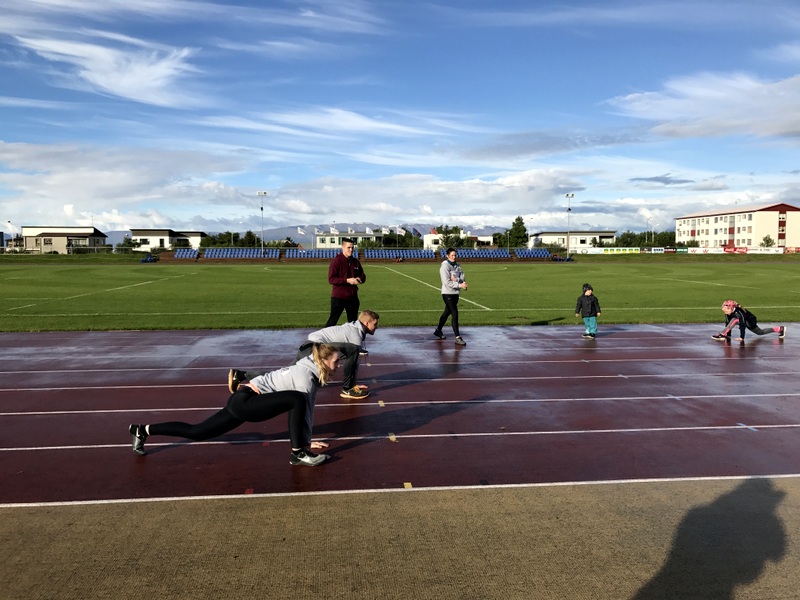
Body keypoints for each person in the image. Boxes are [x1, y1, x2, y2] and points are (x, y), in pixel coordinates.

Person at [128, 343, 339, 467]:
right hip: (248, 401)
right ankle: (297, 454)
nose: (338, 366)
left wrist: (307, 439)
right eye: (335, 362)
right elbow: (306, 409)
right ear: (323, 361)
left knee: (197, 432)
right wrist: (306, 443)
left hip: (243, 400)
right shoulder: (305, 377)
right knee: (297, 399)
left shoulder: (307, 366)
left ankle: (143, 430)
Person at [228, 310, 380, 400]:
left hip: (309, 345)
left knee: (282, 375)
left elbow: (351, 361)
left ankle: (241, 375)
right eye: (375, 324)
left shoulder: (353, 328)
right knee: (353, 350)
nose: (377, 327)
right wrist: (351, 385)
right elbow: (353, 360)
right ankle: (347, 389)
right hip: (313, 347)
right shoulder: (355, 334)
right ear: (367, 323)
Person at [325, 237, 366, 327]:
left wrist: (359, 279)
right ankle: (320, 339)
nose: (351, 250)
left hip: (353, 297)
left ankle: (352, 340)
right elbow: (331, 279)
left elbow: (363, 276)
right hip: (339, 297)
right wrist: (347, 280)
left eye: (352, 248)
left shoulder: (355, 262)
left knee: (353, 323)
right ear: (342, 247)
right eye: (348, 247)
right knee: (332, 321)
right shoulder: (336, 261)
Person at [433, 247, 467, 346]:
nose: (454, 257)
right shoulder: (444, 267)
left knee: (446, 313)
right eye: (452, 255)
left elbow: (462, 277)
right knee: (454, 313)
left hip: (455, 293)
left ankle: (438, 330)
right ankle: (457, 337)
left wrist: (457, 280)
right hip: (447, 293)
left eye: (455, 255)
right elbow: (446, 282)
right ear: (447, 256)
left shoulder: (458, 266)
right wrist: (460, 284)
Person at [712, 300, 786, 342]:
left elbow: (742, 324)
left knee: (735, 320)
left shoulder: (739, 312)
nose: (725, 311)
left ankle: (722, 334)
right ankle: (780, 329)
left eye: (726, 309)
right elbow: (728, 322)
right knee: (760, 332)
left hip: (750, 321)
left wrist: (742, 337)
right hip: (743, 321)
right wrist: (728, 335)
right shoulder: (728, 313)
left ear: (731, 308)